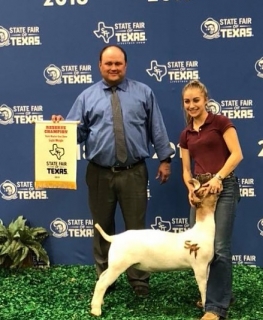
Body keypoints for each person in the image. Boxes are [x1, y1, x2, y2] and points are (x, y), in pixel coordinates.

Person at [52, 44, 174, 297]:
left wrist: (165, 159)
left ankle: (139, 278)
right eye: (108, 63)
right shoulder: (86, 97)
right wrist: (59, 128)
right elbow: (75, 133)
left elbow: (157, 128)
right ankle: (105, 277)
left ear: (125, 65)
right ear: (100, 66)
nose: (113, 67)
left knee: (136, 229)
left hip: (134, 172)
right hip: (99, 173)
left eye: (118, 63)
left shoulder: (144, 93)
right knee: (101, 227)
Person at [179, 80, 243, 320]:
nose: (192, 105)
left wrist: (218, 177)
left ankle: (216, 307)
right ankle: (217, 293)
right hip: (201, 192)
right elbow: (186, 169)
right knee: (200, 246)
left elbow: (237, 154)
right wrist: (189, 187)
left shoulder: (221, 123)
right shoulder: (185, 134)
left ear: (205, 100)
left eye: (196, 100)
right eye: (187, 101)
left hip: (223, 187)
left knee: (219, 248)